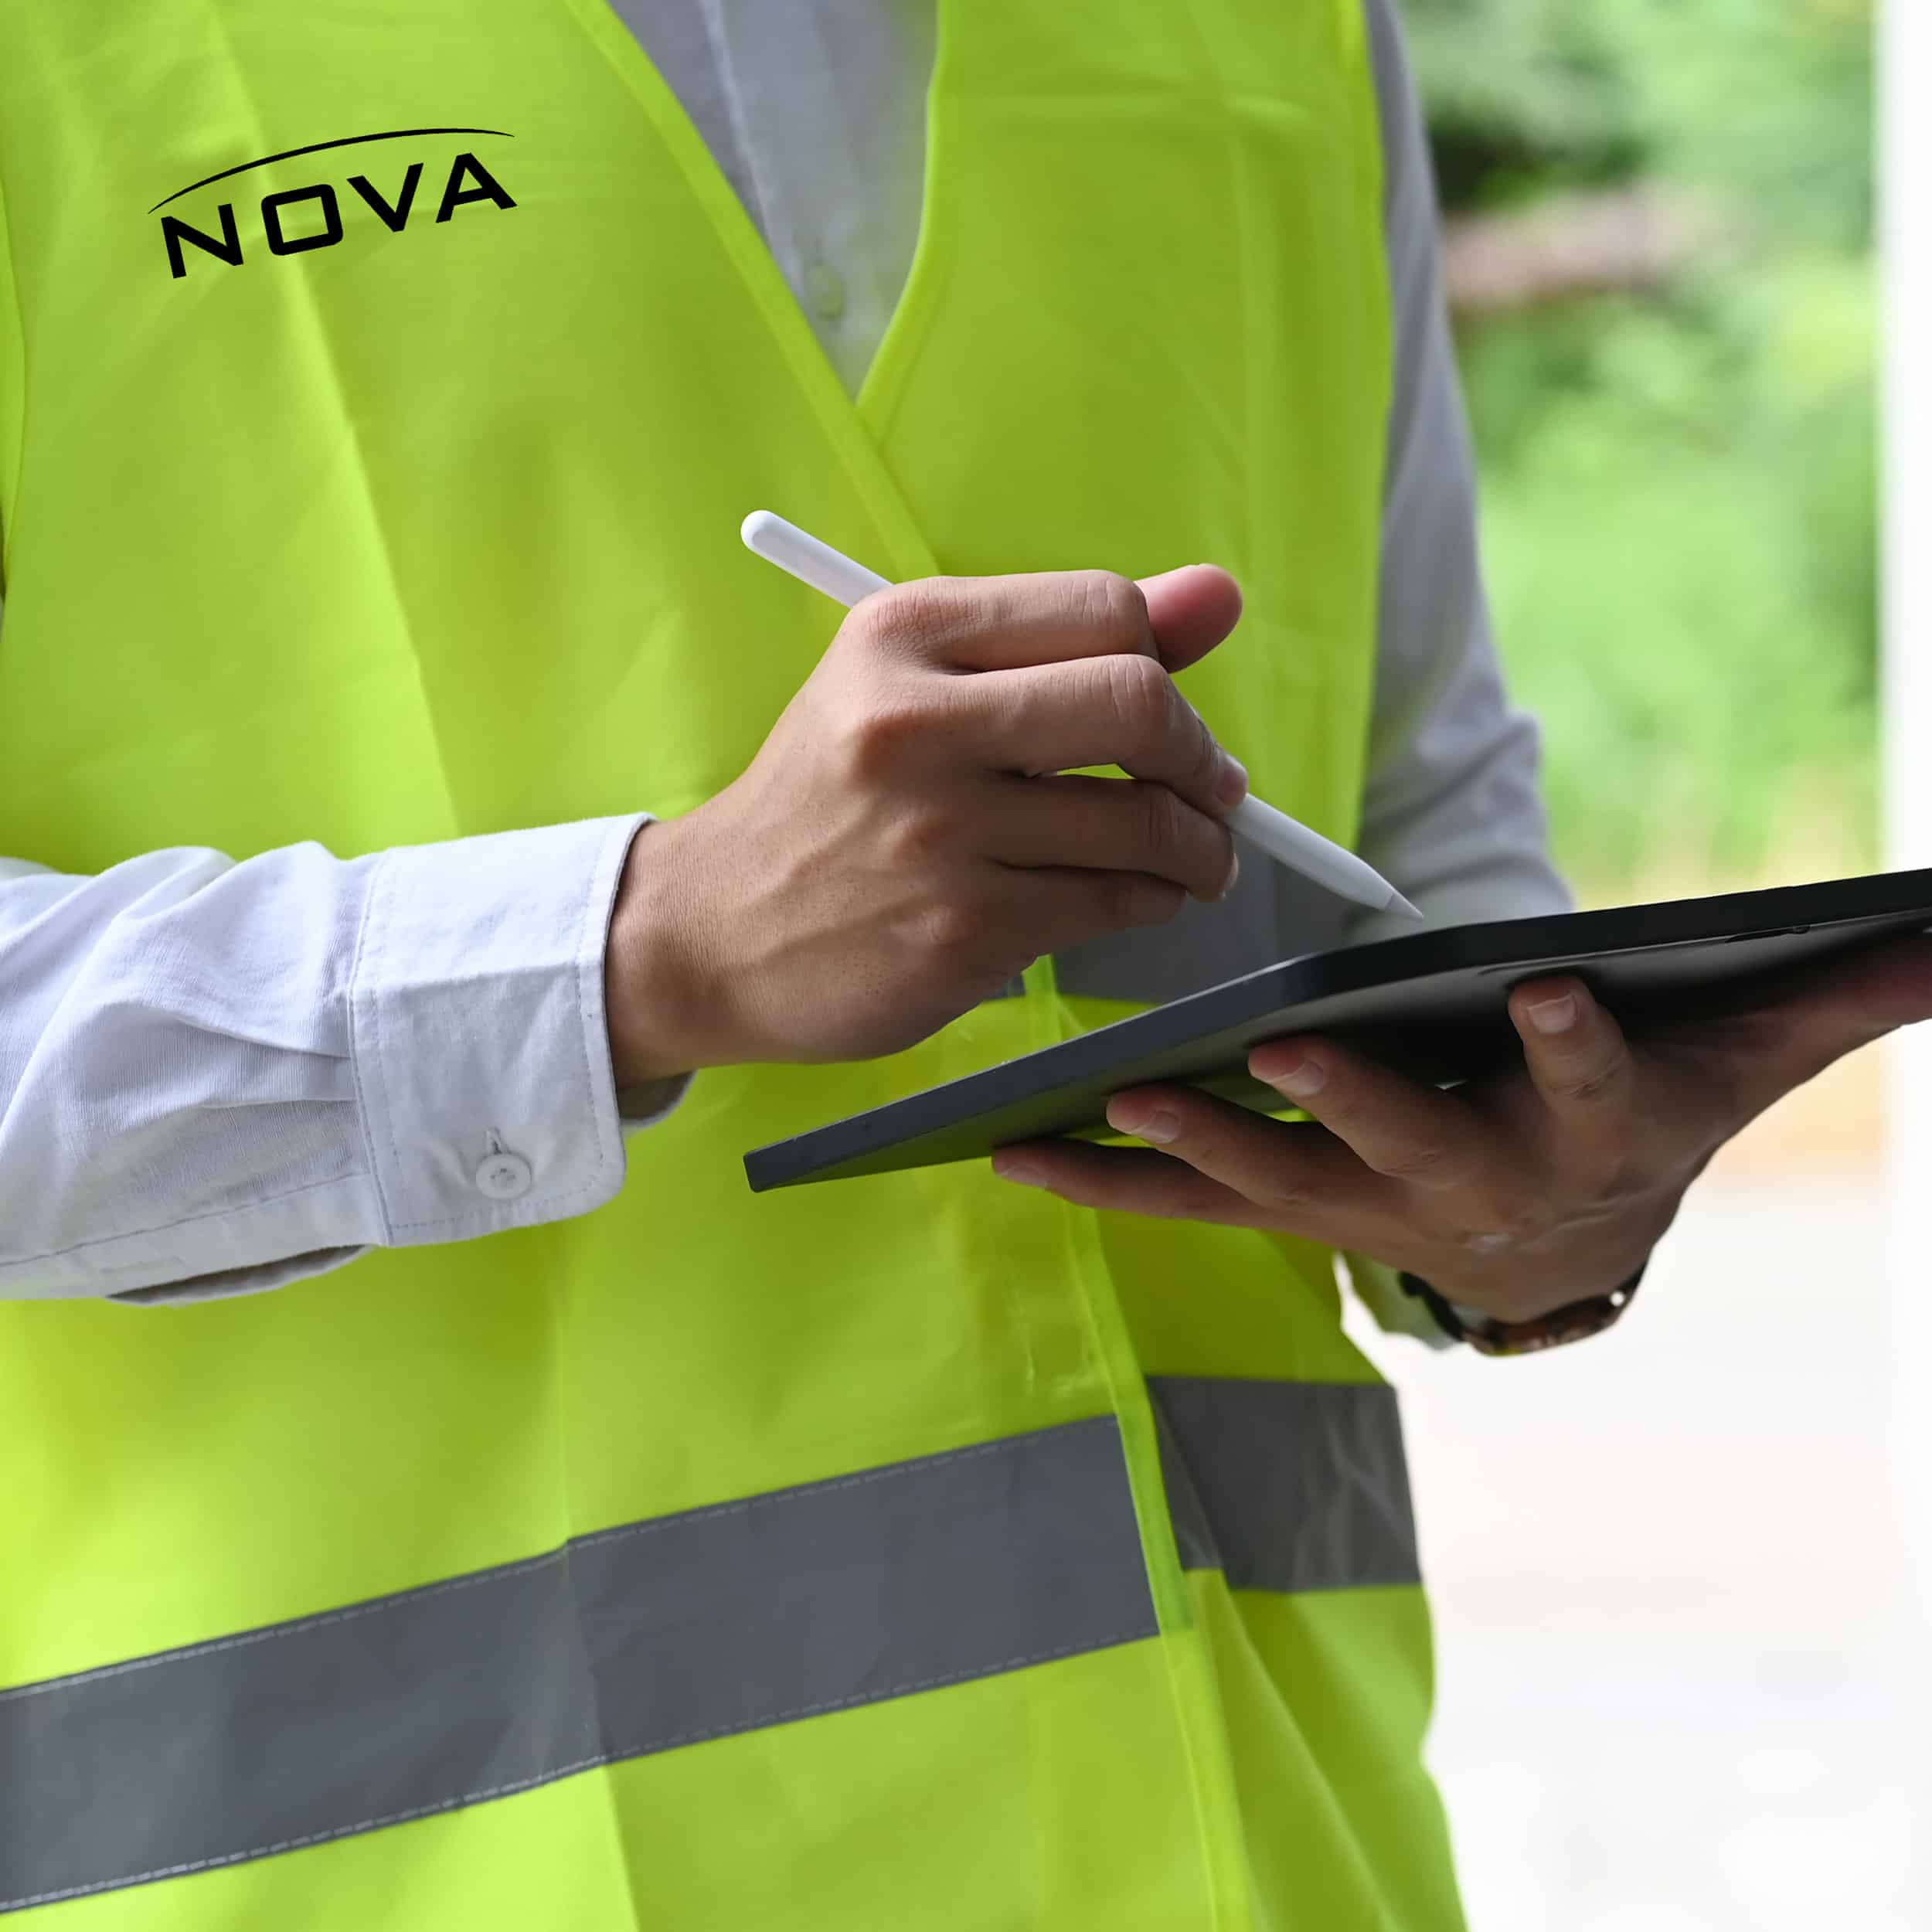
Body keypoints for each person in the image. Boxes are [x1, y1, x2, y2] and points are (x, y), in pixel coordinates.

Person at [0, 2, 1924, 1926]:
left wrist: (1527, 1214)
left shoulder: (1296, 31)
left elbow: (1419, 816)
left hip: (1253, 1850)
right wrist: (635, 950)